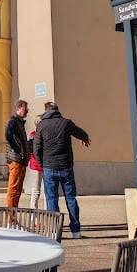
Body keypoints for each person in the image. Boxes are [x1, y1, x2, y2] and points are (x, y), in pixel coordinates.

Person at [34, 101, 90, 238]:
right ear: (57, 110)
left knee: (51, 199)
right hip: (66, 167)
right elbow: (80, 132)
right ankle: (76, 231)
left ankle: (54, 231)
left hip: (49, 168)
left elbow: (36, 148)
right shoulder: (66, 123)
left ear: (46, 112)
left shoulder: (41, 125)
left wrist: (42, 163)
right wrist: (85, 138)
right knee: (71, 199)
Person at [5, 99, 29, 208]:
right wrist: (17, 149)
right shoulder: (13, 121)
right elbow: (8, 135)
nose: (27, 111)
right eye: (25, 109)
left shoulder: (20, 123)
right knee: (13, 188)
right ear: (18, 109)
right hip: (16, 159)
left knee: (18, 189)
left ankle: (14, 214)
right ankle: (11, 218)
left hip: (22, 160)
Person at [28, 114, 44, 209]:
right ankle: (34, 217)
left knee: (46, 192)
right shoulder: (33, 135)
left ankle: (48, 214)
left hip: (45, 165)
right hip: (36, 166)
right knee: (36, 191)